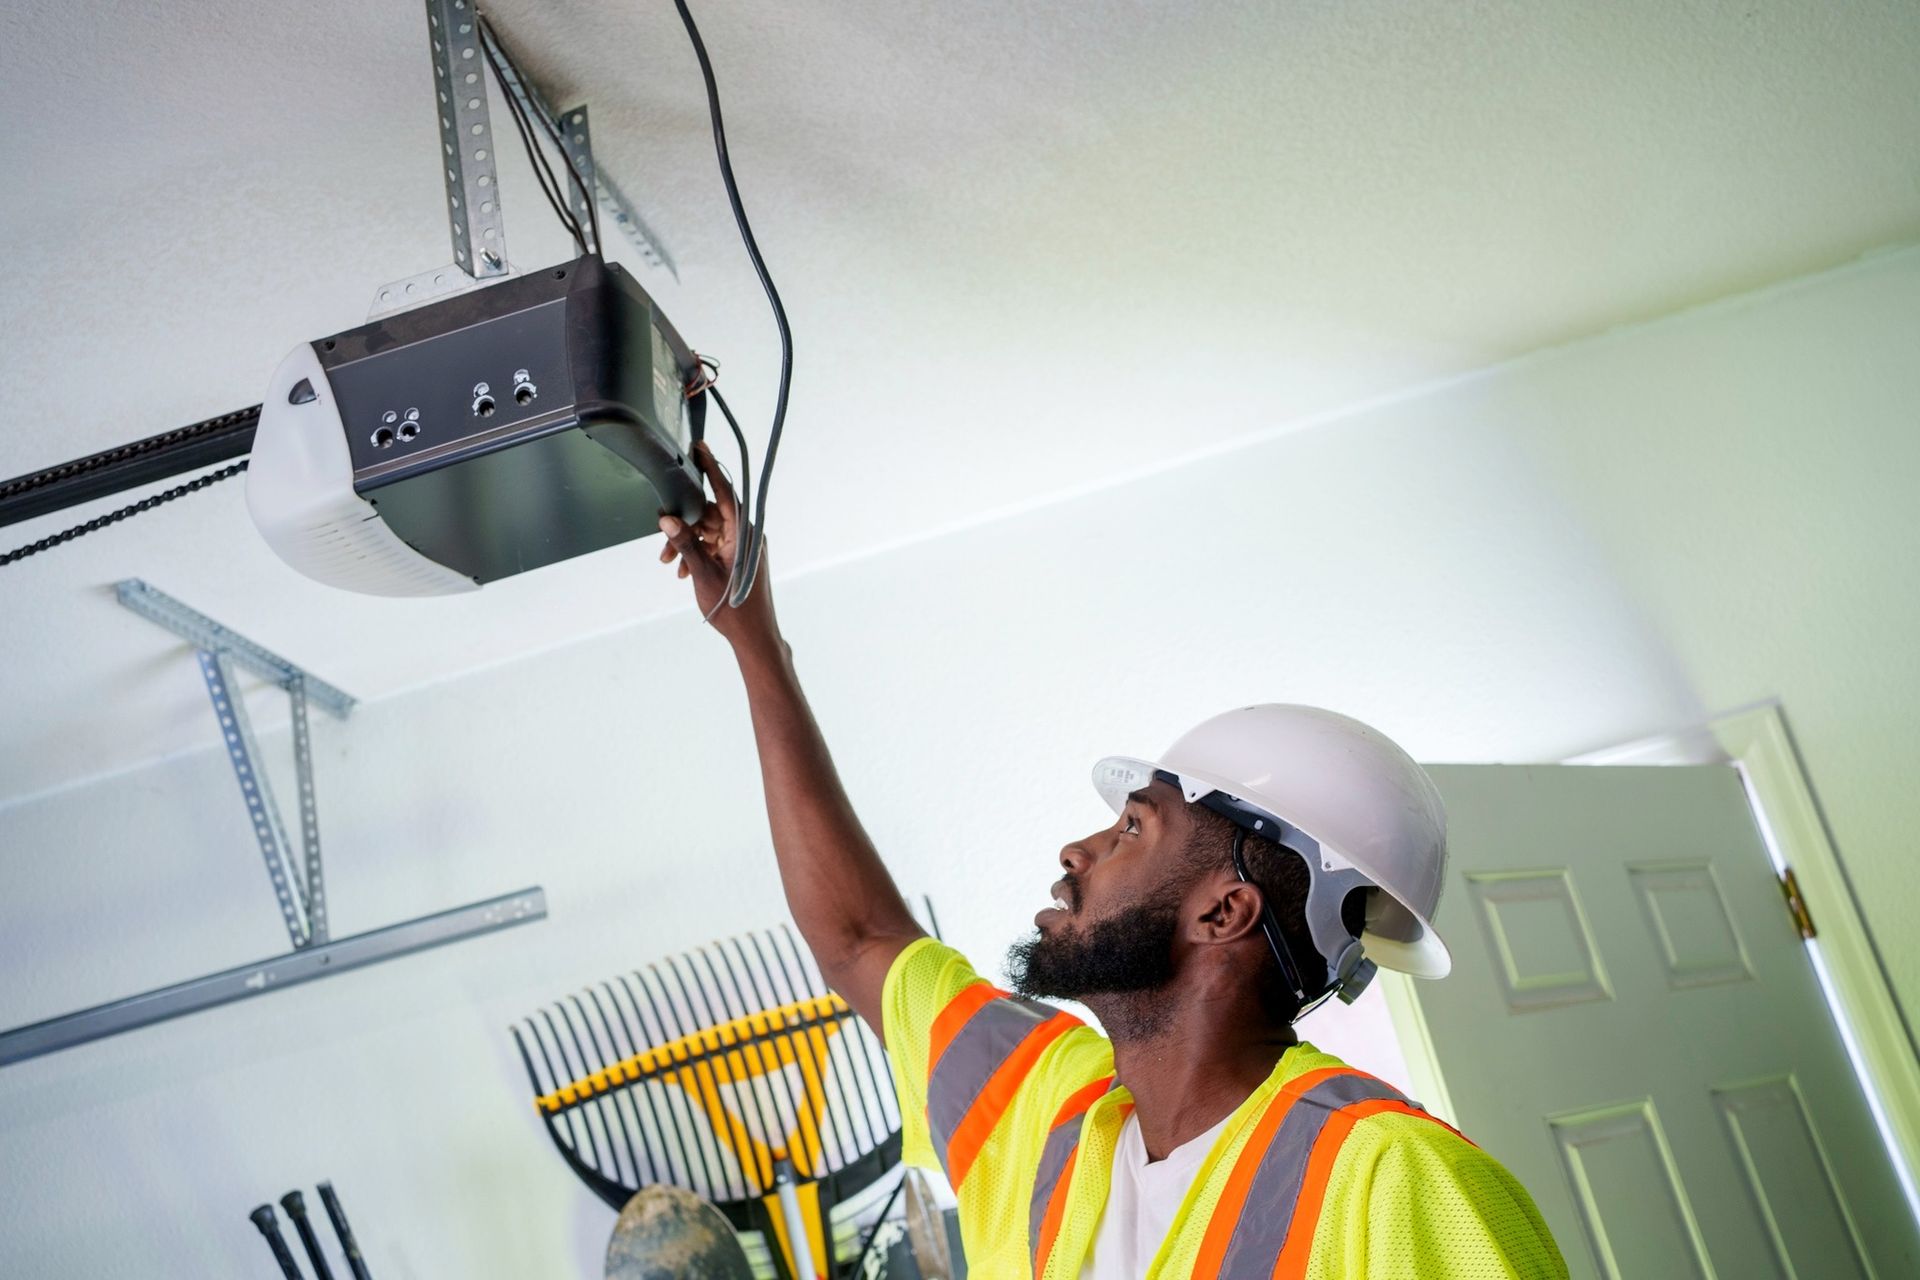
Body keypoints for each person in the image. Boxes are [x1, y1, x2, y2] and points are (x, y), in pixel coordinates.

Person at [657, 444, 1567, 1278]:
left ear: (1225, 912)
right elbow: (860, 940)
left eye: (1135, 828)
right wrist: (753, 640)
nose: (1077, 849)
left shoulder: (1394, 1181)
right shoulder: (1050, 1106)